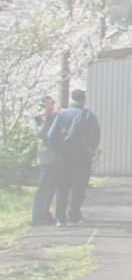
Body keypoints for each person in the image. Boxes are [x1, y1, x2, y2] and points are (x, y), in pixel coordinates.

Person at [47, 88, 101, 225]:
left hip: (64, 156)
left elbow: (51, 135)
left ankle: (60, 217)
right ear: (83, 100)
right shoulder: (89, 115)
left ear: (72, 98)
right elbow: (96, 136)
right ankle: (74, 215)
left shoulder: (61, 114)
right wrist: (91, 150)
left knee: (62, 186)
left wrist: (57, 150)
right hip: (82, 156)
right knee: (79, 187)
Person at [31, 95, 61, 226]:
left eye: (52, 104)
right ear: (43, 105)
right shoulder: (39, 119)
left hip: (54, 156)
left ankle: (45, 212)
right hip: (45, 157)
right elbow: (42, 134)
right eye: (49, 104)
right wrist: (46, 119)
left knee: (51, 187)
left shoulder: (54, 117)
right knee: (43, 187)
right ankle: (38, 215)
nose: (52, 107)